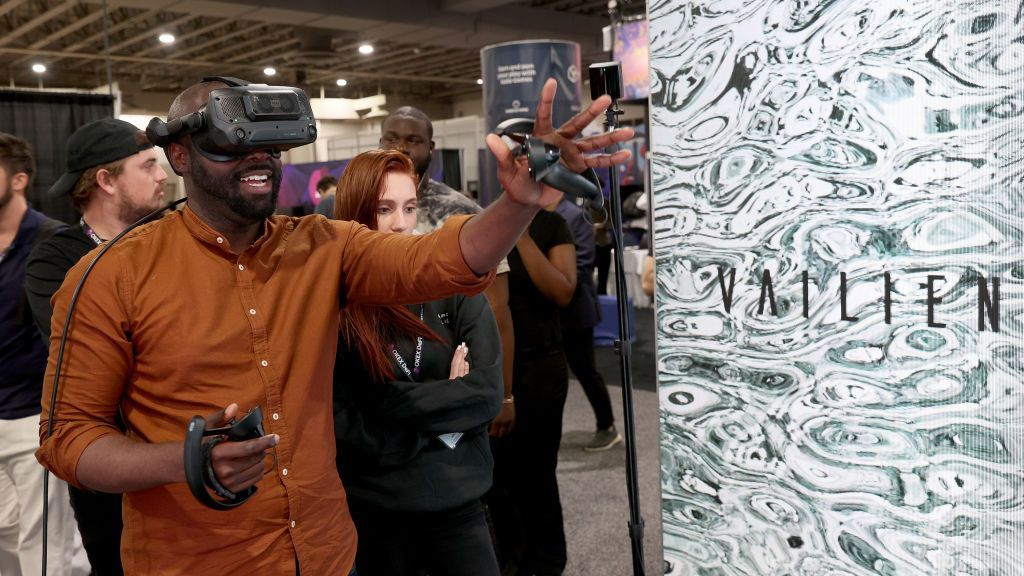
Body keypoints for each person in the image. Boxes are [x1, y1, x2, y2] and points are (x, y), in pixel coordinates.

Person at [35, 77, 633, 575]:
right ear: (181, 154)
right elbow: (68, 439)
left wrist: (520, 200)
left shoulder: (323, 247)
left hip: (325, 553)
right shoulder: (108, 277)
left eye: (269, 146)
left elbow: (444, 259)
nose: (258, 160)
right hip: (198, 560)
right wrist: (183, 461)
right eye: (232, 144)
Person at [332, 149, 503, 575]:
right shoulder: (336, 309)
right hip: (376, 513)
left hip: (459, 504)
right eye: (383, 209)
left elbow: (485, 395)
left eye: (409, 208)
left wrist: (387, 405)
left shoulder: (454, 289)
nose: (401, 224)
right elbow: (343, 424)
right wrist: (445, 403)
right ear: (355, 214)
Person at [22, 118, 169, 576]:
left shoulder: (178, 239)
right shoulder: (57, 260)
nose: (163, 176)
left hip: (191, 460)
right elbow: (106, 361)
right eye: (147, 166)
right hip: (111, 473)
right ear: (105, 180)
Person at [380, 106, 515, 438]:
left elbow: (497, 309)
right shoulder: (351, 209)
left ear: (431, 148)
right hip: (378, 380)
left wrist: (504, 393)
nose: (401, 148)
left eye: (413, 140)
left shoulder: (463, 212)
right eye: (392, 139)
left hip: (449, 378)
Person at [0, 132, 77, 576]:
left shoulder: (51, 245)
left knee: (45, 550)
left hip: (34, 419)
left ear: (18, 180)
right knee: (9, 543)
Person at [490, 191, 576, 576]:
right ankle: (512, 559)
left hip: (541, 368)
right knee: (500, 476)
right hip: (497, 366)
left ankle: (547, 562)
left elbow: (562, 291)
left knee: (537, 474)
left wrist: (519, 233)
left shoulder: (551, 225)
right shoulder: (488, 220)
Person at [553, 195, 621, 452]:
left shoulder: (573, 215)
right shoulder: (537, 213)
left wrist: (550, 284)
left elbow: (582, 265)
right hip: (552, 312)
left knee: (585, 370)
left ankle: (607, 426)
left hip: (576, 311)